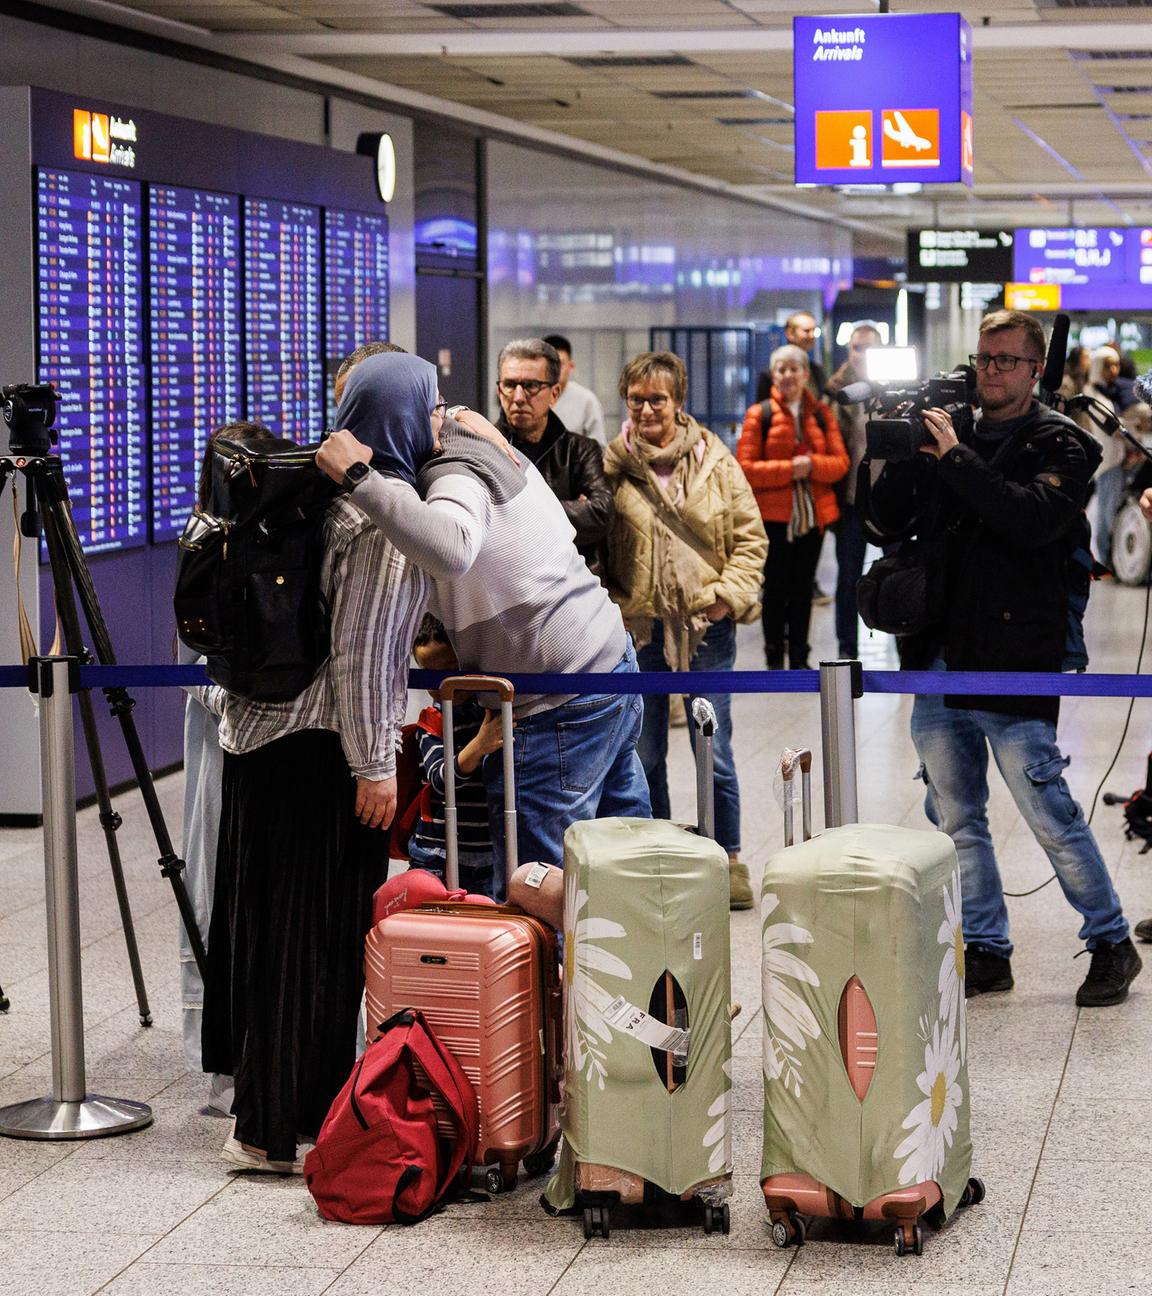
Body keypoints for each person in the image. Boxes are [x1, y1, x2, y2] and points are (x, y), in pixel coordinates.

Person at [866, 308, 1142, 1007]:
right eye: (984, 358)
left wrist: (955, 455)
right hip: (935, 653)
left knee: (1048, 810)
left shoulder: (1062, 444)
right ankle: (986, 946)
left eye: (1006, 360)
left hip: (1014, 654)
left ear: (1035, 369)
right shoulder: (941, 428)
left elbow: (1027, 519)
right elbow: (885, 521)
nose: (990, 371)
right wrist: (896, 448)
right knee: (955, 813)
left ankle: (1110, 939)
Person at [315, 350, 651, 876]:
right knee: (620, 872)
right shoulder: (464, 431)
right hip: (608, 668)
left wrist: (361, 477)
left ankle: (561, 961)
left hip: (557, 701)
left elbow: (451, 549)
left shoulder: (452, 469)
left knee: (538, 885)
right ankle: (634, 961)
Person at [201, 420, 428, 1170]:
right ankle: (277, 1126)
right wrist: (374, 764)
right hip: (322, 752)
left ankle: (263, 1115)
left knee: (263, 936)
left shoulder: (284, 502)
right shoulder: (373, 520)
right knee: (314, 942)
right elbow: (362, 657)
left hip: (254, 740)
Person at [603, 351, 767, 910]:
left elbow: (750, 539)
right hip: (641, 629)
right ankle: (666, 851)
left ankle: (729, 856)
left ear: (679, 403)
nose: (648, 410)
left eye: (659, 399)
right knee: (644, 752)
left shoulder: (716, 461)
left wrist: (725, 599)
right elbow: (596, 546)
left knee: (712, 748)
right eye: (637, 400)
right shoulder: (612, 465)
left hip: (706, 628)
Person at [180, 420, 278, 1120]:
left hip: (273, 738)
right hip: (225, 741)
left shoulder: (289, 534)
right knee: (214, 885)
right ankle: (226, 1056)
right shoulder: (204, 543)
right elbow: (195, 657)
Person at [737, 344, 848, 670]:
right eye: (781, 370)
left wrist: (811, 465)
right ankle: (774, 655)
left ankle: (800, 655)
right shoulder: (761, 414)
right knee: (774, 586)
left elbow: (840, 463)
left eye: (793, 369)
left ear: (804, 374)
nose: (787, 376)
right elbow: (745, 468)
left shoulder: (821, 414)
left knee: (802, 588)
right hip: (773, 517)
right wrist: (790, 469)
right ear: (774, 375)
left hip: (813, 517)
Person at [494, 337, 614, 579]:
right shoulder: (485, 448)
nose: (518, 397)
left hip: (571, 586)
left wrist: (516, 512)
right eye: (510, 385)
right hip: (505, 588)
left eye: (531, 386)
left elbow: (601, 513)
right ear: (499, 389)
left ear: (554, 393)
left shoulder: (579, 451)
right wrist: (573, 507)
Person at [408, 614, 504, 895]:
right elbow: (439, 779)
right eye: (430, 675)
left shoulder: (491, 711)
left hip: (490, 853)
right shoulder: (432, 720)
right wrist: (479, 745)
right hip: (437, 853)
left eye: (451, 669)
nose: (444, 685)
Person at [826, 323, 882, 658]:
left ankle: (906, 647)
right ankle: (847, 650)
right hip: (850, 499)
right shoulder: (836, 391)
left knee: (899, 572)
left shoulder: (894, 387)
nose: (860, 354)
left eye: (868, 348)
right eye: (856, 347)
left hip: (889, 499)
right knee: (848, 578)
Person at [1078, 346, 1126, 568]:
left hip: (1114, 461)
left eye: (1116, 365)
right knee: (1107, 516)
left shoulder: (1104, 394)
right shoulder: (1092, 396)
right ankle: (1106, 562)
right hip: (1108, 463)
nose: (1113, 371)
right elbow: (1113, 430)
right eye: (1108, 365)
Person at [543, 333, 607, 449]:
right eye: (550, 364)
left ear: (571, 366)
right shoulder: (529, 397)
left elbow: (598, 448)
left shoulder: (587, 400)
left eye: (560, 364)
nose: (555, 370)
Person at [755, 311, 826, 402]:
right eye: (806, 331)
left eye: (814, 330)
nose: (812, 336)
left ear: (806, 374)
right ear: (790, 333)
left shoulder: (817, 371)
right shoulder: (768, 375)